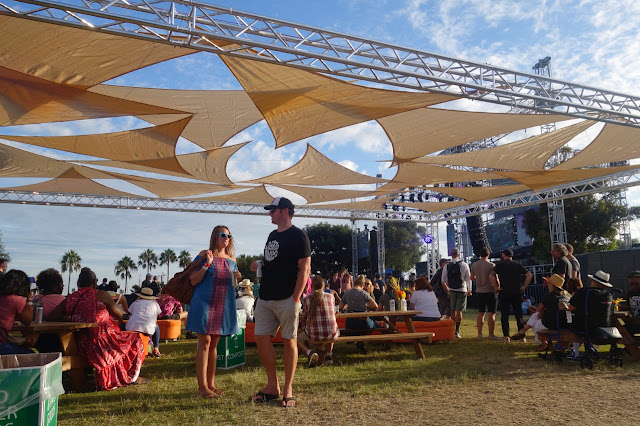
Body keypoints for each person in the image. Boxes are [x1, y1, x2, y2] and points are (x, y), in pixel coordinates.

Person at [249, 197, 311, 408]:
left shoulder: (299, 235)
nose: (270, 213)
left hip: (287, 297)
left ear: (284, 211)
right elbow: (271, 263)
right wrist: (258, 265)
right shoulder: (272, 235)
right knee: (260, 337)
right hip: (266, 296)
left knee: (289, 341)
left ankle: (288, 389)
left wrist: (295, 298)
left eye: (273, 210)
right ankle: (272, 386)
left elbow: (305, 269)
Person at [65, 267, 146, 390]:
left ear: (78, 283)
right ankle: (129, 375)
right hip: (101, 341)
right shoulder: (101, 295)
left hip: (80, 341)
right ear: (94, 282)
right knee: (135, 339)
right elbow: (118, 313)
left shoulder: (71, 297)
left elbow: (53, 315)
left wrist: (73, 318)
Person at [186, 225, 241, 399]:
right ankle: (202, 387)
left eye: (229, 236)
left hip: (222, 304)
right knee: (205, 342)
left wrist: (237, 278)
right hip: (204, 302)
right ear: (215, 237)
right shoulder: (204, 255)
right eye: (223, 235)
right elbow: (193, 280)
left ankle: (210, 384)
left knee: (214, 344)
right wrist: (207, 264)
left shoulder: (232, 260)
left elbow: (232, 286)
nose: (227, 238)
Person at [511, 274, 569, 349]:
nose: (547, 284)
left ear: (552, 285)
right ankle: (523, 329)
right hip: (564, 323)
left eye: (548, 282)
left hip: (552, 323)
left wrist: (534, 310)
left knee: (535, 323)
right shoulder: (566, 296)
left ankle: (544, 343)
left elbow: (539, 311)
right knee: (536, 316)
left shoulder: (549, 296)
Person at [491, 249, 533, 342]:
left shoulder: (500, 264)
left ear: (503, 255)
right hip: (516, 292)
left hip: (504, 292)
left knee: (505, 314)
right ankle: (521, 336)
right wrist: (524, 286)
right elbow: (529, 275)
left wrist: (496, 287)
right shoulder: (517, 265)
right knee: (519, 314)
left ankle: (506, 336)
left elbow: (491, 275)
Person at [298, 276, 340, 367]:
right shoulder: (330, 297)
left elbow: (304, 314)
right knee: (332, 326)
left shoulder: (307, 299)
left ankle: (309, 352)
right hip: (331, 334)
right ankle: (329, 353)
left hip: (313, 334)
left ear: (311, 286)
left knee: (298, 339)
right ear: (323, 285)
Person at [339, 274, 379, 353]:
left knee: (358, 326)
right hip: (363, 322)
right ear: (362, 285)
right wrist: (365, 305)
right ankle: (361, 342)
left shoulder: (347, 293)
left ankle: (360, 342)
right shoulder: (363, 293)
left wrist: (349, 305)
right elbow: (375, 305)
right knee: (376, 325)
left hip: (350, 323)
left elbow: (340, 307)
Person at [0, 270, 34, 355]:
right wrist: (29, 299)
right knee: (32, 354)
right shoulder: (18, 300)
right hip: (1, 346)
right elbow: (28, 321)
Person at [470, 247, 500, 340]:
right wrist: (497, 288)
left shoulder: (474, 265)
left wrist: (478, 279)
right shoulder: (492, 265)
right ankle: (491, 334)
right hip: (490, 290)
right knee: (491, 313)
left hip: (479, 291)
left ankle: (479, 334)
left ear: (480, 254)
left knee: (481, 313)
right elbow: (495, 278)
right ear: (488, 254)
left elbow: (471, 277)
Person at [441, 248, 471, 339]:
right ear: (459, 254)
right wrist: (469, 289)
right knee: (459, 311)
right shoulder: (464, 264)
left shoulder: (447, 266)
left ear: (451, 255)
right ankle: (457, 331)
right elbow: (468, 278)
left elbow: (443, 280)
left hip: (452, 289)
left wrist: (448, 289)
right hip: (462, 289)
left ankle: (452, 330)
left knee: (453, 310)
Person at [126, 287, 162, 358]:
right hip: (147, 330)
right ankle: (156, 348)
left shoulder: (135, 303)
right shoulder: (155, 304)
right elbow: (155, 320)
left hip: (132, 328)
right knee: (157, 327)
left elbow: (131, 315)